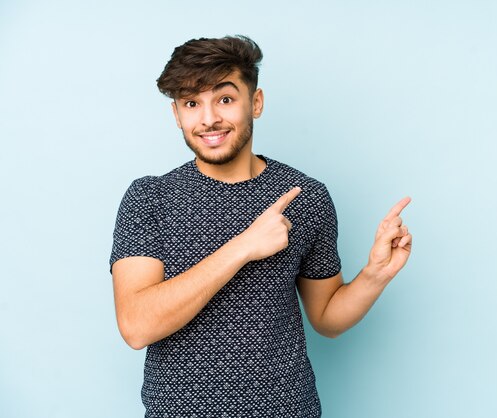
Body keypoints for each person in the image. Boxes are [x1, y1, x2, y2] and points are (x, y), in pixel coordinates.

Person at [110, 35, 412, 418]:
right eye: (191, 103)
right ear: (176, 115)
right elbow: (137, 325)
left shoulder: (306, 197)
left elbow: (327, 320)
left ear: (255, 102)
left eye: (224, 99)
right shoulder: (149, 197)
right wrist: (243, 247)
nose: (208, 119)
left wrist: (374, 275)